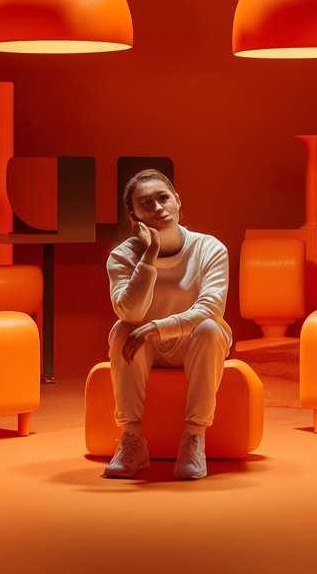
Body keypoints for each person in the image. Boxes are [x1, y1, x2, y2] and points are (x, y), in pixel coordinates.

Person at [103, 169, 230, 480]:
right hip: (145, 346)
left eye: (163, 198)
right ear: (134, 217)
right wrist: (149, 257)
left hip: (194, 343)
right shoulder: (123, 256)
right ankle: (132, 440)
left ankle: (193, 438)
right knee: (122, 330)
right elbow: (129, 313)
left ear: (177, 201)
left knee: (212, 328)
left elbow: (210, 307)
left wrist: (158, 327)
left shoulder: (210, 248)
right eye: (146, 204)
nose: (158, 207)